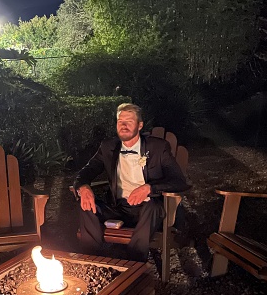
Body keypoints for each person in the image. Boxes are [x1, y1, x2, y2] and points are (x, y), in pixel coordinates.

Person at [74, 103, 188, 262]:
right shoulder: (108, 147)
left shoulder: (158, 147)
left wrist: (149, 188)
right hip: (117, 207)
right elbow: (87, 171)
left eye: (129, 121)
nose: (124, 125)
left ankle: (135, 264)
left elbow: (179, 181)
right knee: (87, 206)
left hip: (147, 207)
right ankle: (91, 262)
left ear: (140, 125)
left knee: (153, 207)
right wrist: (83, 187)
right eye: (120, 121)